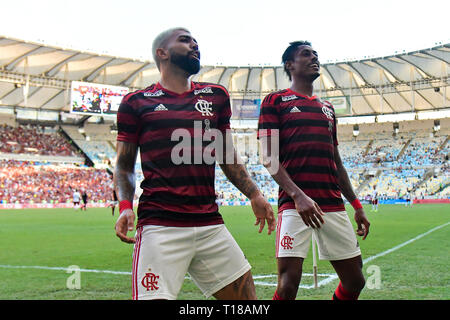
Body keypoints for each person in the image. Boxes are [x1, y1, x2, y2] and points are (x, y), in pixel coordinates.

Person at [114, 27, 276, 300]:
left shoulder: (216, 97)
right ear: (162, 53)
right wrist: (126, 206)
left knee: (247, 301)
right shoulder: (136, 103)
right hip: (160, 226)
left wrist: (254, 193)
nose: (194, 45)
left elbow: (225, 153)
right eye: (185, 40)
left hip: (209, 223)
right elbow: (124, 164)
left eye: (196, 41)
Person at [258, 41, 371, 300]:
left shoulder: (328, 109)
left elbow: (336, 161)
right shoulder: (275, 101)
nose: (314, 58)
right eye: (306, 54)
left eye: (316, 54)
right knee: (287, 287)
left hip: (332, 203)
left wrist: (356, 204)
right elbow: (268, 157)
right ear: (290, 65)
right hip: (294, 205)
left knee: (355, 281)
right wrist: (298, 196)